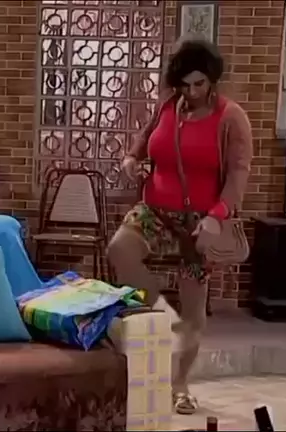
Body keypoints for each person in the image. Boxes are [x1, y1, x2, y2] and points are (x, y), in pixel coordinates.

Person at [107, 38, 252, 415]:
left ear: (212, 80)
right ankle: (161, 314)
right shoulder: (167, 106)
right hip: (154, 211)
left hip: (201, 223)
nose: (192, 91)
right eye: (185, 84)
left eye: (199, 83)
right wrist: (130, 160)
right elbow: (142, 142)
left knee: (193, 309)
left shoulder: (231, 117)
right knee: (119, 249)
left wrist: (217, 215)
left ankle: (180, 385)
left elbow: (238, 174)